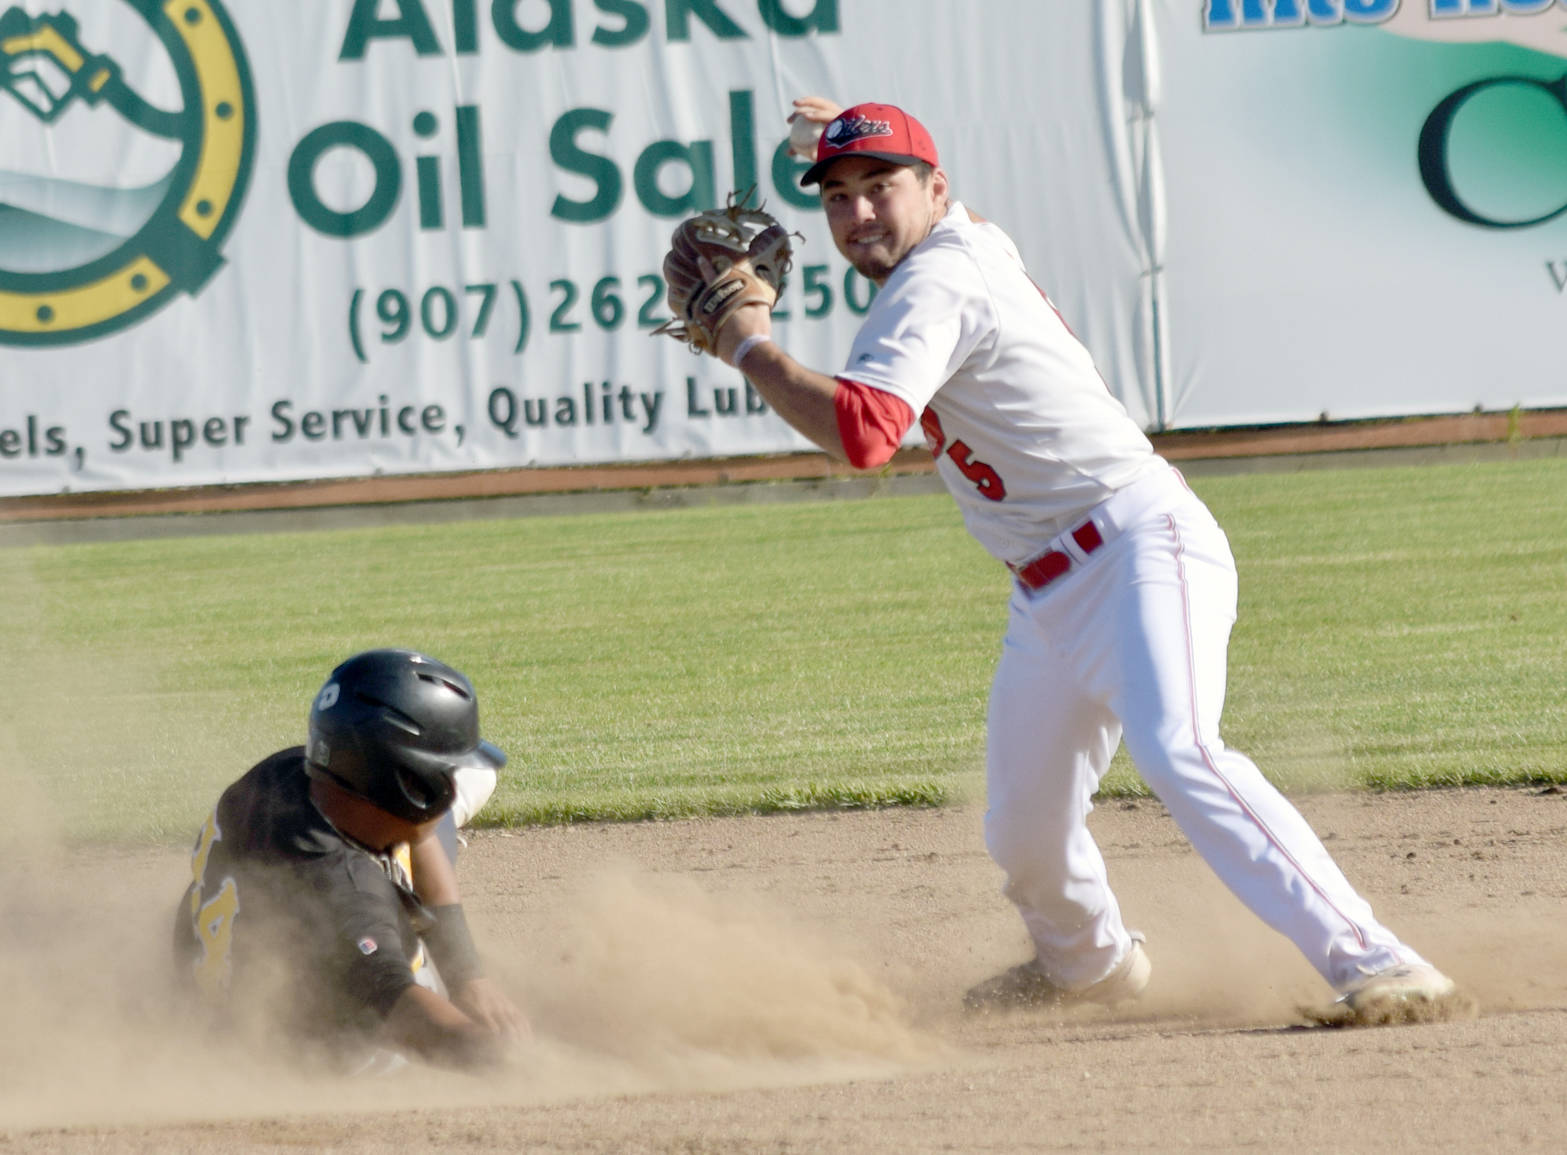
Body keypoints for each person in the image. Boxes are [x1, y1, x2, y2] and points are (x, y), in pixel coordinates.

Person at [705, 98, 1461, 1020]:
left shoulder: (935, 282)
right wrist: (842, 134)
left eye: (880, 187)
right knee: (1023, 830)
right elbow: (926, 234)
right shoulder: (967, 242)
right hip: (1047, 595)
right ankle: (1088, 965)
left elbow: (865, 436)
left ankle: (1378, 959)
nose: (858, 212)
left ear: (936, 189)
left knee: (1179, 748)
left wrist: (746, 342)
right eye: (838, 196)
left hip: (1141, 544)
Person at [173, 648, 526, 1072]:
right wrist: (508, 1059)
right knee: (398, 1046)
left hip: (201, 956)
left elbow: (421, 831)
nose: (451, 782)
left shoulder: (293, 773)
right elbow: (402, 1006)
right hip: (292, 1053)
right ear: (410, 786)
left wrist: (468, 975)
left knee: (473, 779)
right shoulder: (346, 895)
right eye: (441, 778)